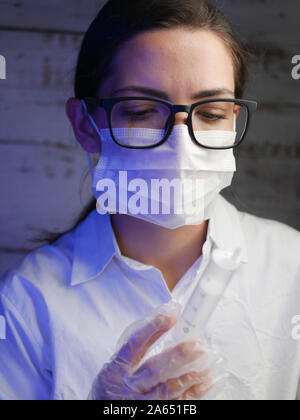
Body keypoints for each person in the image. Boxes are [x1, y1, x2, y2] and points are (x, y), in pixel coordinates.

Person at [0, 0, 299, 401]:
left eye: (210, 112)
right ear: (85, 125)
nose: (181, 144)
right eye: (141, 110)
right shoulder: (27, 303)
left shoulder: (292, 269)